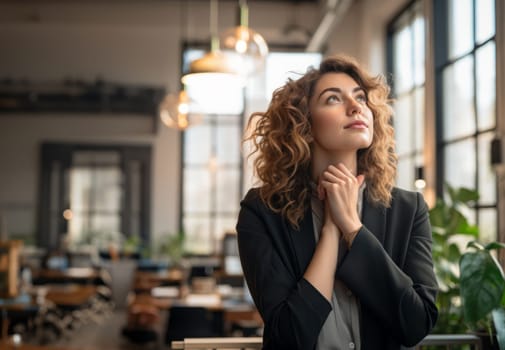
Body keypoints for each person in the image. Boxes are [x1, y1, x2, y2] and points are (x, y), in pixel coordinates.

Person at [236, 54, 438, 350]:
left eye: (361, 97)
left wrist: (353, 228)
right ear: (303, 123)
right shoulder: (263, 211)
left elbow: (416, 324)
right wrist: (331, 230)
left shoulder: (409, 210)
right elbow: (289, 337)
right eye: (333, 99)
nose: (356, 106)